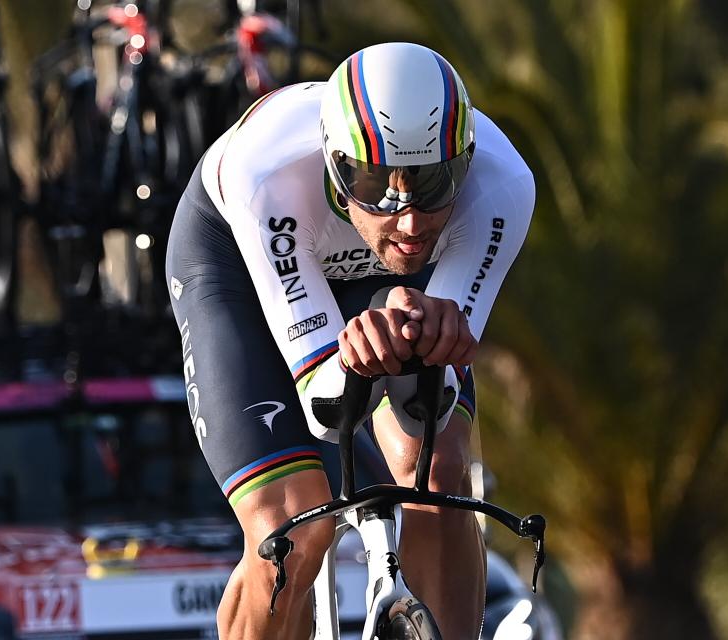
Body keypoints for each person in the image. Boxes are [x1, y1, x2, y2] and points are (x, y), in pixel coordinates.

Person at [165, 41, 535, 639]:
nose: (409, 218)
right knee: (291, 526)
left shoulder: (503, 186)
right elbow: (324, 405)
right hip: (241, 267)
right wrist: (365, 344)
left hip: (384, 283)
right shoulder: (268, 174)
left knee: (437, 472)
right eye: (375, 183)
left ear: (463, 163)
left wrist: (408, 327)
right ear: (337, 166)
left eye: (433, 183)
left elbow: (427, 392)